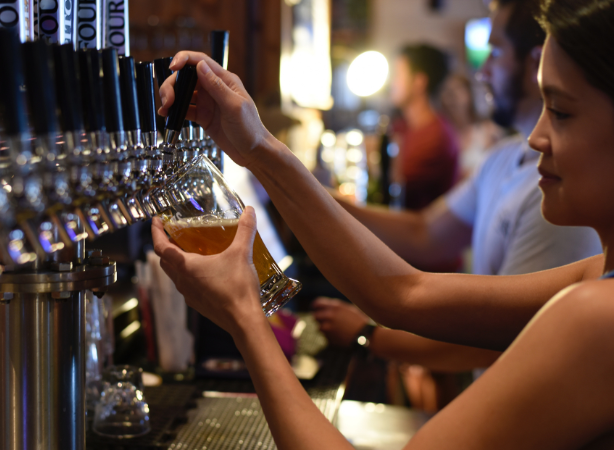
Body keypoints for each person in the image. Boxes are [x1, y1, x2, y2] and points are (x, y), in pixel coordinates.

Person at [152, 0, 614, 447]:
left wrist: (244, 318)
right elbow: (403, 293)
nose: (536, 136)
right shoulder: (595, 277)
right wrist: (256, 149)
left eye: (562, 112)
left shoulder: (597, 315)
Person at [314, 0, 601, 377]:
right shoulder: (503, 157)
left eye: (495, 51)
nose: (481, 71)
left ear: (535, 61)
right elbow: (424, 233)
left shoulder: (560, 192)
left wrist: (369, 337)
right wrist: (317, 197)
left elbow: (501, 337)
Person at [389, 44, 459, 211]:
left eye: (398, 75)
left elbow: (392, 184)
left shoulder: (437, 137)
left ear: (419, 82)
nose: (392, 83)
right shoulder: (402, 125)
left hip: (412, 232)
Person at [439, 73, 503, 177]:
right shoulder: (442, 138)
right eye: (448, 92)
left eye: (458, 89)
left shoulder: (487, 130)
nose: (452, 97)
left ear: (469, 93)